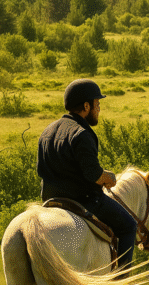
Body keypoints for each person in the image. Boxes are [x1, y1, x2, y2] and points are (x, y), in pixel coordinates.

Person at [37, 78, 137, 271]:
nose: (98, 109)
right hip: (84, 200)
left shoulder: (47, 131)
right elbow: (93, 174)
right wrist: (108, 177)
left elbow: (41, 169)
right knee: (129, 226)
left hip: (49, 199)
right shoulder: (82, 133)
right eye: (97, 104)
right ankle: (123, 281)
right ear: (86, 106)